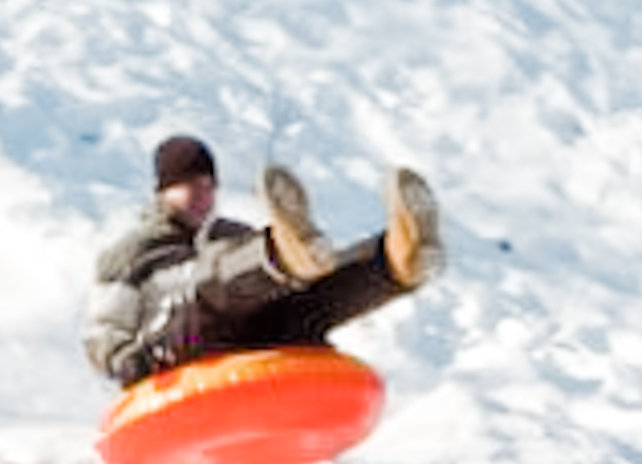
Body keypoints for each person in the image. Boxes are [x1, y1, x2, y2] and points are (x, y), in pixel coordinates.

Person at [83, 135, 446, 387]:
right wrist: (120, 358)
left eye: (208, 187)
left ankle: (396, 261)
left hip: (246, 347)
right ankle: (283, 256)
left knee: (301, 299)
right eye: (189, 186)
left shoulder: (229, 233)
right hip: (174, 351)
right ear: (163, 190)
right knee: (207, 283)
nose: (201, 196)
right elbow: (105, 326)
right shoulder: (134, 251)